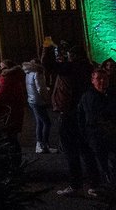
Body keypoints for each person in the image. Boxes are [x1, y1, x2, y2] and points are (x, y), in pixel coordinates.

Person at [43, 38, 102, 197]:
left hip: (69, 113)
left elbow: (47, 64)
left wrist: (46, 46)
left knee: (71, 151)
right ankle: (95, 184)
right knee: (86, 150)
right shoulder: (88, 67)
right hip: (85, 113)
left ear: (73, 56)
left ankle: (75, 185)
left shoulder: (71, 67)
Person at [79, 68, 116, 186]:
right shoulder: (89, 97)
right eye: (99, 79)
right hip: (98, 136)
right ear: (92, 80)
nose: (102, 81)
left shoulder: (110, 94)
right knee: (103, 161)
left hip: (109, 135)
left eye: (105, 78)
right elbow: (94, 118)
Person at [0, 59, 25, 141]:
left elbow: (2, 94)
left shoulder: (6, 78)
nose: (0, 68)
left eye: (2, 66)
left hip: (5, 110)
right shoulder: (13, 77)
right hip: (12, 109)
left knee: (8, 134)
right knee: (12, 134)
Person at [23, 56, 55, 154]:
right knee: (47, 123)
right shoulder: (37, 73)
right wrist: (46, 98)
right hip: (38, 101)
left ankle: (40, 145)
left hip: (32, 100)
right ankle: (44, 145)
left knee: (40, 122)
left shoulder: (28, 73)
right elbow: (40, 88)